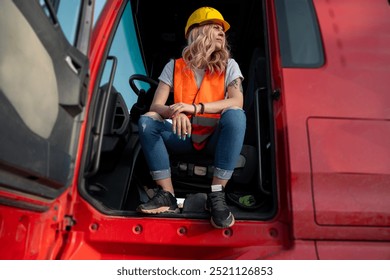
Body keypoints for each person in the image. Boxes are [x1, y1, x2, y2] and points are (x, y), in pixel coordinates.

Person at [137, 7, 246, 229]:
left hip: (214, 139)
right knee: (148, 120)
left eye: (222, 29)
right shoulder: (174, 66)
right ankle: (166, 195)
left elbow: (237, 101)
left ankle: (216, 196)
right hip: (182, 136)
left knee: (236, 115)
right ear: (198, 31)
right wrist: (175, 111)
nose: (221, 32)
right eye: (215, 27)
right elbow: (156, 106)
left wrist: (195, 108)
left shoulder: (229, 67)